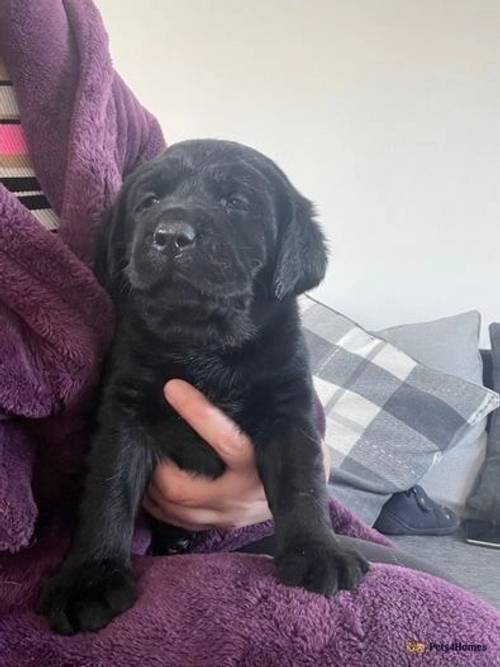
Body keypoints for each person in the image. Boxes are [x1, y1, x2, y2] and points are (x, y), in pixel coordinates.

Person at [0, 0, 448, 582]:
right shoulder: (140, 332)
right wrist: (99, 558)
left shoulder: (86, 80)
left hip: (247, 518)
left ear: (289, 260)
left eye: (234, 202)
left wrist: (293, 519)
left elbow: (292, 428)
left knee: (440, 603)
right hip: (65, 533)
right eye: (153, 202)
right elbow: (124, 435)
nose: (172, 225)